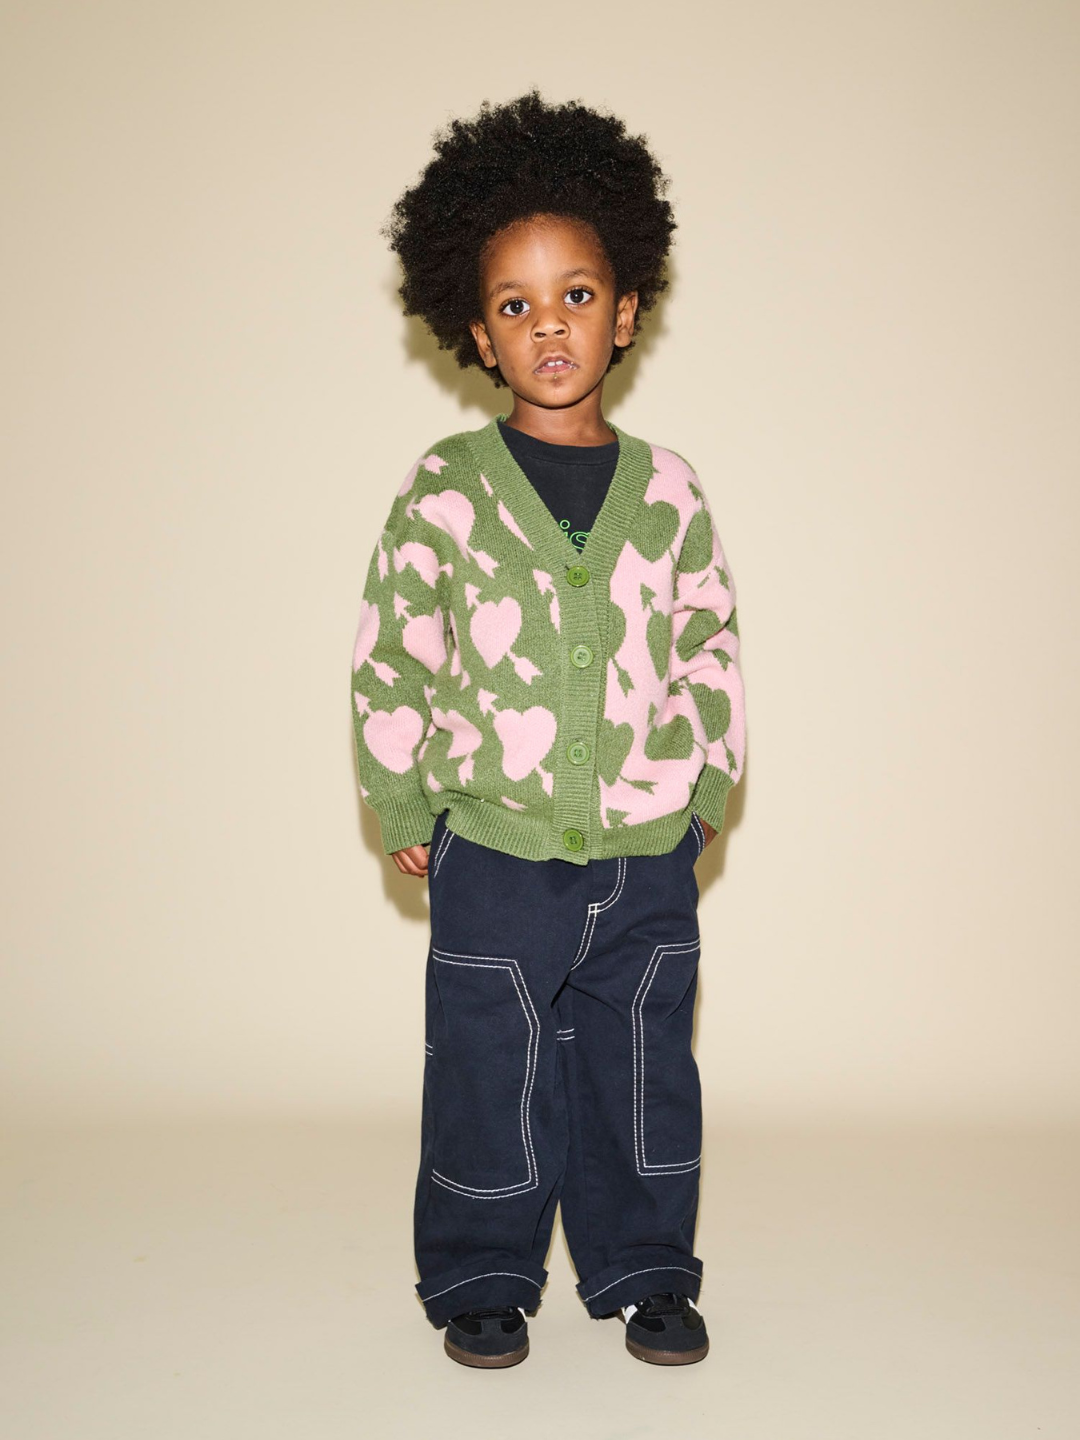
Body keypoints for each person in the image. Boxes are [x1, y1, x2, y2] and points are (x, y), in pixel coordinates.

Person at [350, 89, 746, 1369]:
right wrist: (404, 803)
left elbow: (710, 646)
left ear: (626, 308)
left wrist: (705, 798)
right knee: (486, 1065)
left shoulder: (671, 490)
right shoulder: (446, 494)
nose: (549, 324)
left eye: (575, 294)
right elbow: (394, 652)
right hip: (497, 850)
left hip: (642, 853)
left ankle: (647, 1268)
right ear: (477, 330)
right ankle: (480, 1274)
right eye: (515, 305)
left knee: (641, 1069)